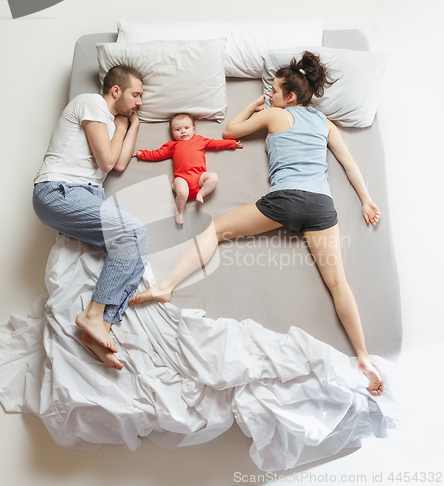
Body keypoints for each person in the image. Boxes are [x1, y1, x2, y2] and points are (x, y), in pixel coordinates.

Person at [129, 52, 383, 396]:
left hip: (286, 201)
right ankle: (364, 357)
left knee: (216, 228)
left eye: (275, 91)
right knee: (339, 283)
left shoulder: (275, 114)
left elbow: (230, 130)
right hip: (322, 206)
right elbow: (349, 163)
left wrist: (254, 106)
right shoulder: (326, 123)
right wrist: (366, 200)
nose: (270, 95)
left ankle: (166, 285)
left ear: (289, 97)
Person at [33, 65, 148, 371]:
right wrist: (121, 124)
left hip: (84, 194)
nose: (139, 101)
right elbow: (108, 160)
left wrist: (129, 123)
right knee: (132, 231)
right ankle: (92, 315)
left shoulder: (112, 122)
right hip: (58, 190)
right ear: (115, 91)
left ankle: (101, 330)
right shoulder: (91, 102)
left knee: (138, 244)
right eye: (135, 95)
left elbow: (119, 164)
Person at [134, 113, 243, 224]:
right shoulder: (172, 145)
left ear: (193, 129)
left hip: (200, 177)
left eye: (187, 128)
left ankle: (201, 193)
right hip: (182, 178)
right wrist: (142, 154)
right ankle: (179, 212)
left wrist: (232, 143)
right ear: (172, 133)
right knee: (182, 192)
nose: (183, 131)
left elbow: (216, 143)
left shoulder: (200, 140)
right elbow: (157, 154)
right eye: (178, 129)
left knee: (213, 177)